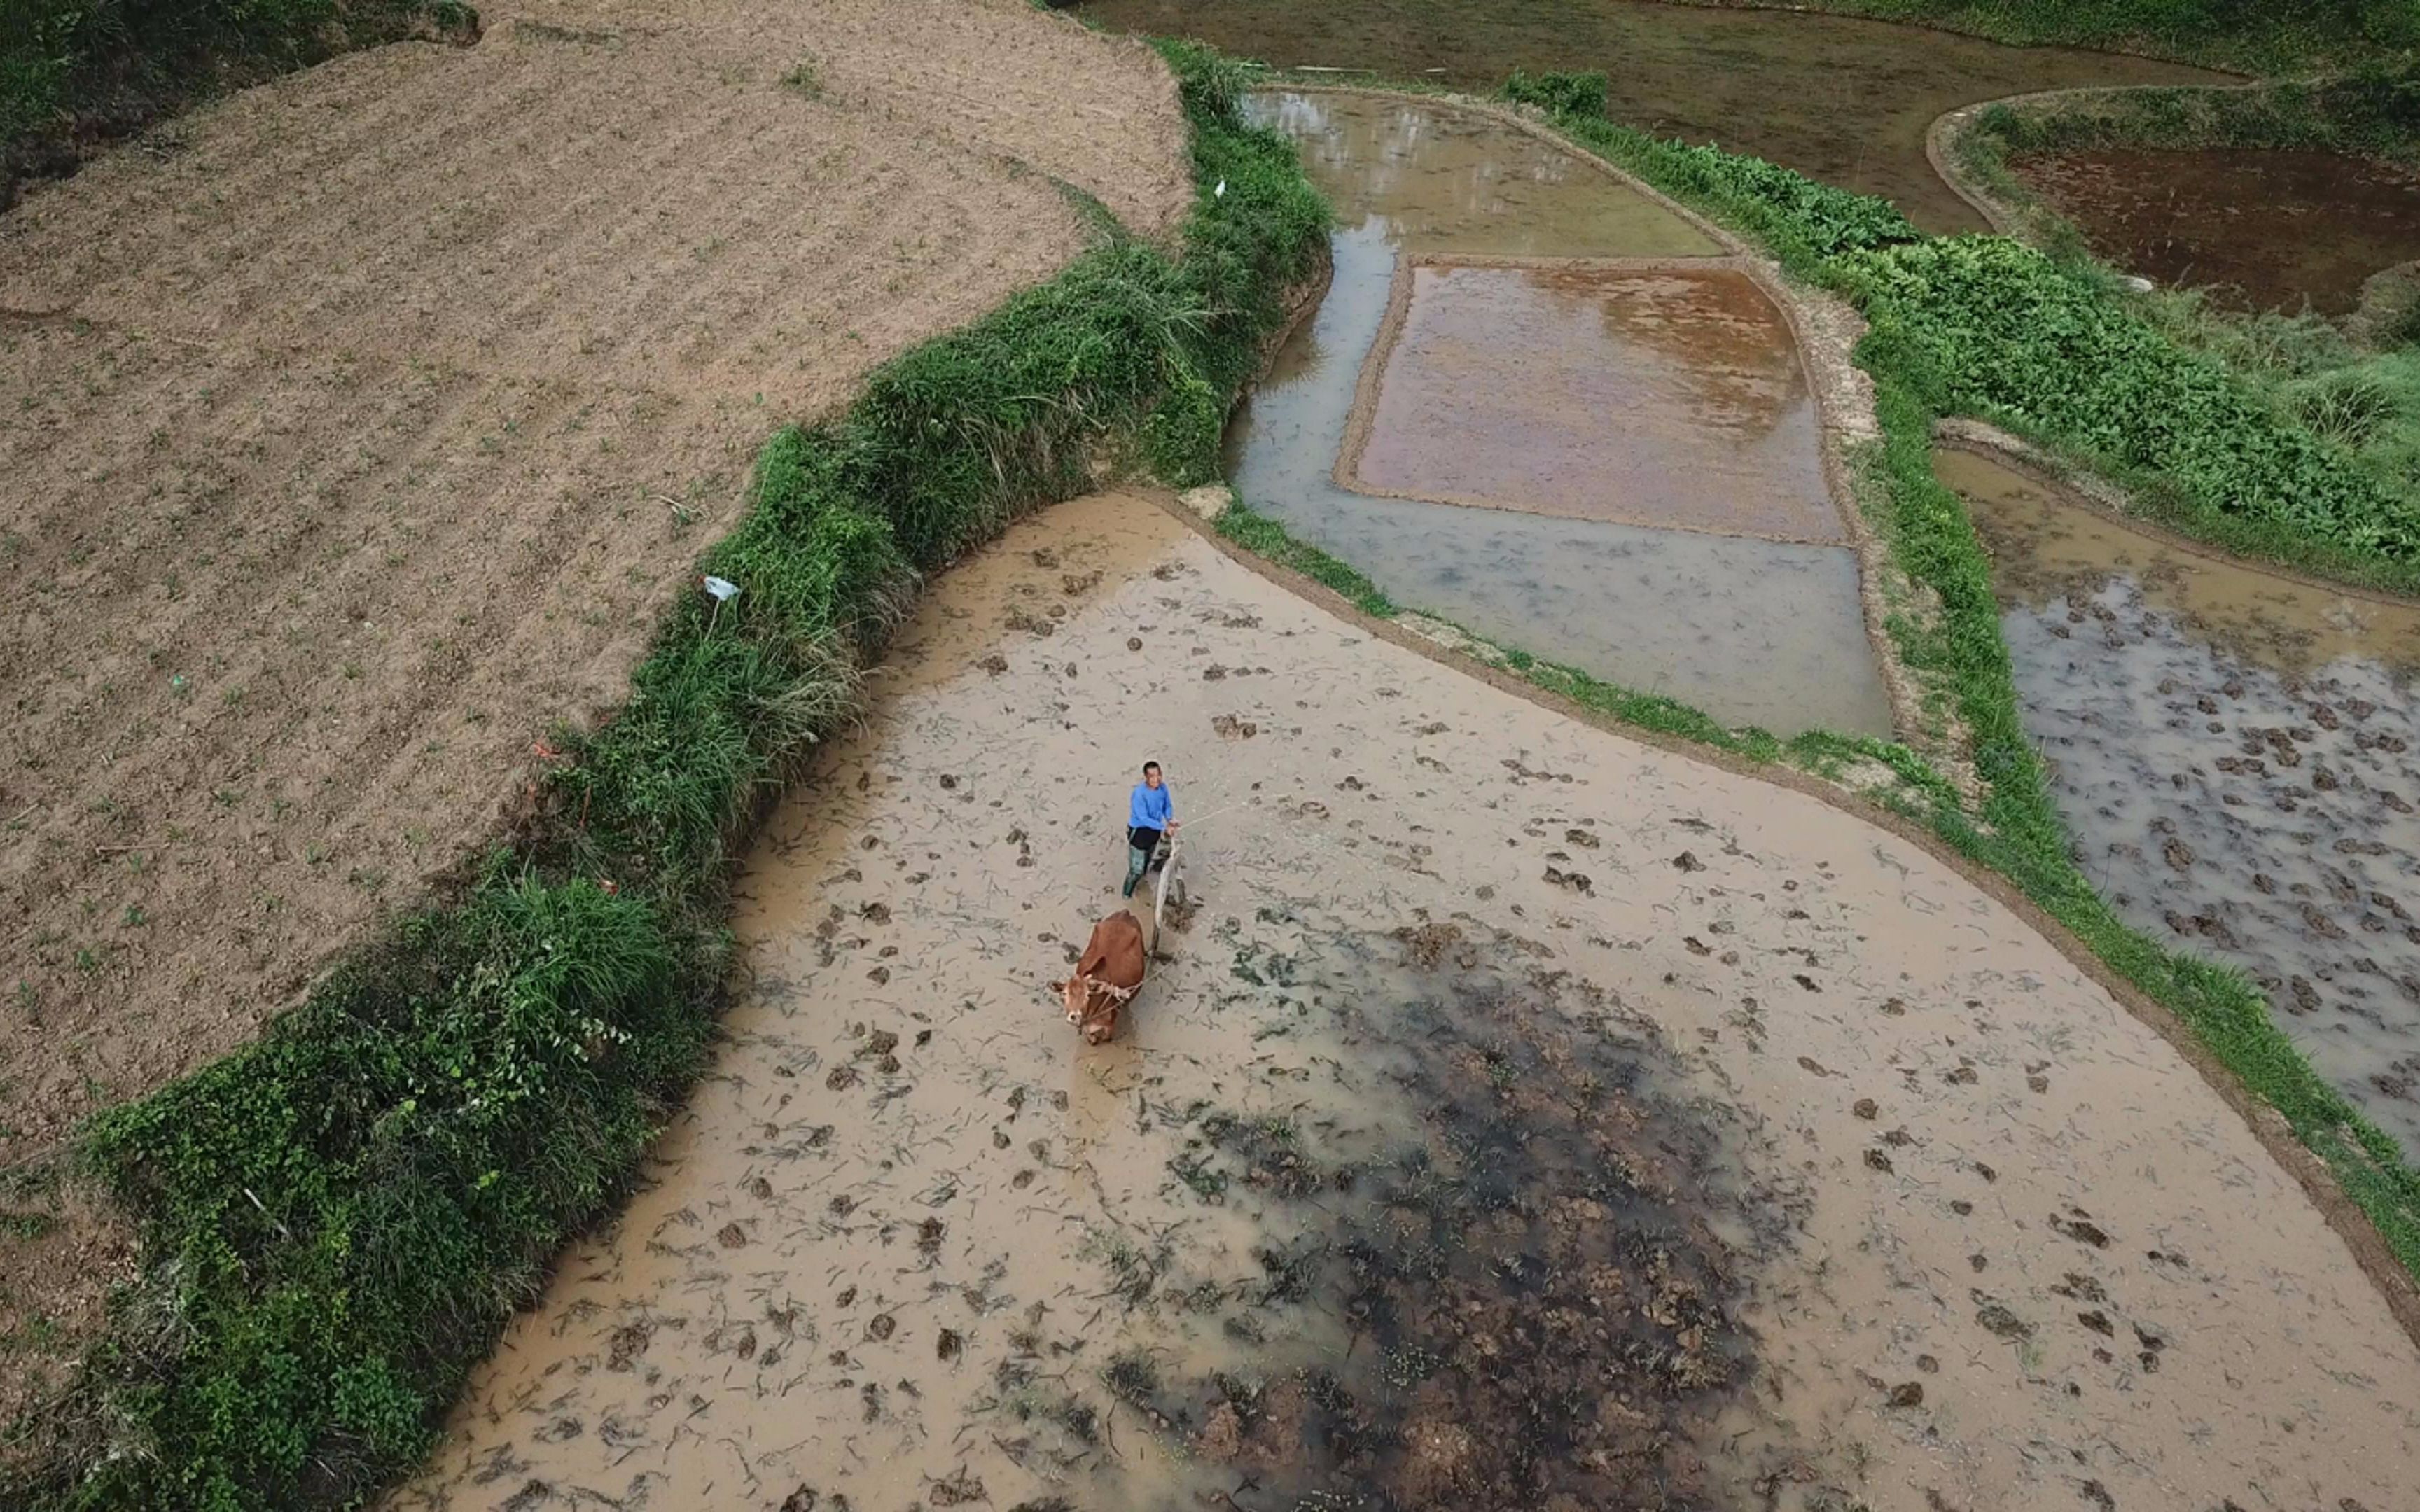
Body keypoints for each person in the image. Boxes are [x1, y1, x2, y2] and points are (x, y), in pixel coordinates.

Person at [1124, 760, 1177, 898]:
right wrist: (1164, 827)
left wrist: (1170, 819)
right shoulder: (1139, 794)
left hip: (1154, 832)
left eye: (1159, 775)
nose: (1156, 779)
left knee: (1148, 860)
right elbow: (1143, 818)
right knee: (1136, 870)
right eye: (1152, 776)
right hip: (1139, 833)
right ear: (1146, 777)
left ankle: (1143, 879)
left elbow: (1167, 805)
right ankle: (1127, 895)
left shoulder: (1163, 788)